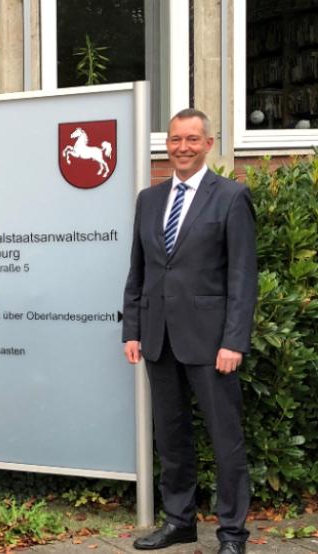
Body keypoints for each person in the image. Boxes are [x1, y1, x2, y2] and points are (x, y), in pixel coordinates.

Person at [122, 109, 257, 554]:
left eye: (192, 139)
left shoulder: (232, 197)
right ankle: (179, 521)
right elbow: (138, 271)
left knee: (225, 441)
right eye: (176, 139)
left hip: (211, 341)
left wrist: (234, 340)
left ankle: (233, 534)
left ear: (208, 144)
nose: (182, 147)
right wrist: (132, 329)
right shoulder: (149, 199)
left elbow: (242, 275)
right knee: (172, 436)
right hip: (159, 339)